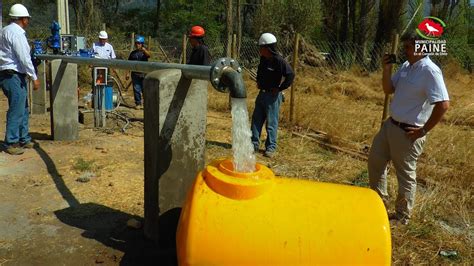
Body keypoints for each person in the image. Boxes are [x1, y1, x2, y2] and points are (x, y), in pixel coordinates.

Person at [368, 32, 450, 225]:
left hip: (409, 132)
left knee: (405, 175)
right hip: (390, 125)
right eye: (404, 47)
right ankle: (378, 205)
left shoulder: (430, 71)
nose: (405, 51)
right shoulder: (406, 66)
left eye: (408, 47)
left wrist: (422, 131)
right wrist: (386, 70)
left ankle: (402, 216)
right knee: (376, 160)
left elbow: (443, 104)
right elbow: (389, 89)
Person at [0, 3, 40, 155]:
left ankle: (24, 138)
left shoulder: (5, 30)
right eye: (27, 19)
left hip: (8, 75)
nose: (28, 22)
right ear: (23, 19)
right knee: (17, 109)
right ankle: (11, 142)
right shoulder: (17, 33)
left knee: (22, 108)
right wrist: (33, 76)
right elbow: (24, 57)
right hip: (13, 75)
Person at [251, 33, 294, 158]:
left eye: (261, 47)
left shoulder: (279, 61)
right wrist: (259, 81)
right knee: (256, 120)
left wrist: (280, 88)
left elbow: (290, 75)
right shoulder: (263, 59)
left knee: (271, 123)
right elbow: (259, 71)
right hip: (262, 94)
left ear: (267, 48)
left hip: (272, 97)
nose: (259, 50)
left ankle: (271, 147)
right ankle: (253, 144)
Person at [126, 35, 150, 109]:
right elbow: (128, 64)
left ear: (142, 44)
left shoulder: (144, 53)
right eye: (136, 43)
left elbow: (149, 55)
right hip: (135, 74)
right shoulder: (133, 53)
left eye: (139, 43)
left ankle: (146, 104)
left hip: (143, 74)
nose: (137, 45)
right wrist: (127, 73)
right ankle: (138, 103)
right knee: (136, 89)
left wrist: (144, 50)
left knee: (144, 89)